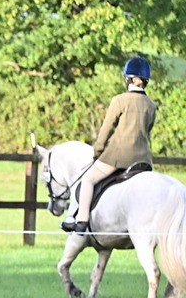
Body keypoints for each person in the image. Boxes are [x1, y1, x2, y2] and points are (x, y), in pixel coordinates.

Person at [61, 56, 157, 234]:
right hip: (144, 160)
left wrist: (98, 151)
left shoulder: (119, 100)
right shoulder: (151, 105)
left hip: (119, 156)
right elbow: (147, 131)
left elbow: (107, 129)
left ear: (130, 79)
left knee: (88, 180)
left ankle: (81, 220)